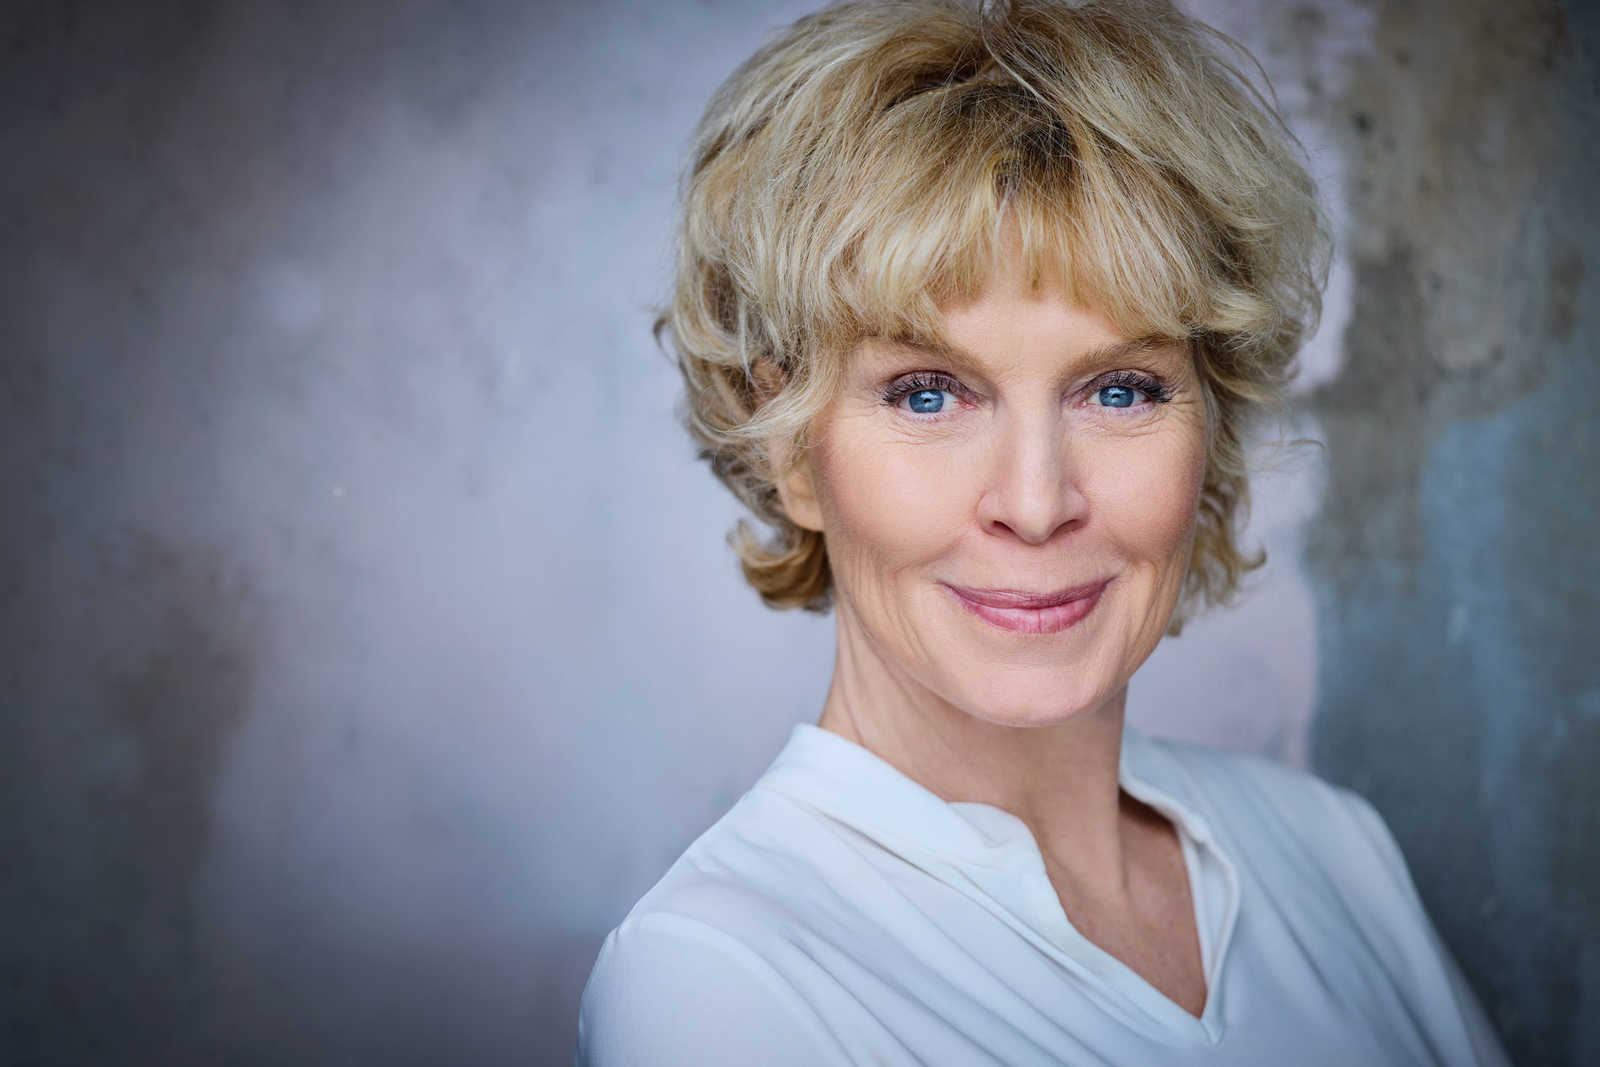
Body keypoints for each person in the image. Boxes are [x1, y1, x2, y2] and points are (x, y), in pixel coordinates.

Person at [577, 1, 1508, 1063]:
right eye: (928, 393)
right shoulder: (716, 981)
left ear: (1213, 420)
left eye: (1119, 389)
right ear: (791, 448)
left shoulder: (1333, 853)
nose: (1033, 501)